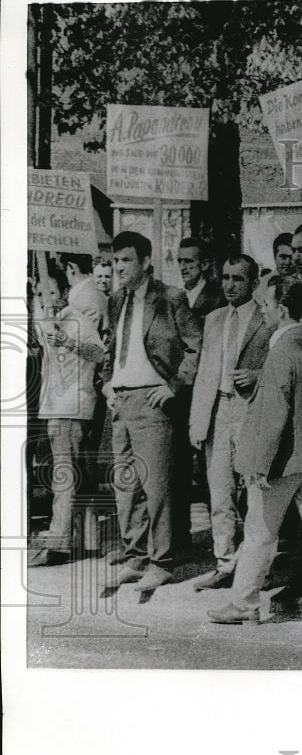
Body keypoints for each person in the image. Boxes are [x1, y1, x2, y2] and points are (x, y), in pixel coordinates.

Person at [207, 276, 302, 633]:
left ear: (282, 309)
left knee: (259, 531)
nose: (262, 311)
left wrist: (259, 465)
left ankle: (244, 604)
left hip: (281, 463)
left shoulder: (281, 351)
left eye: (265, 306)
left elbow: (274, 414)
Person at [103, 231, 202, 591]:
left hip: (153, 401)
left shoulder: (170, 298)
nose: (119, 268)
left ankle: (162, 561)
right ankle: (136, 556)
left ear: (145, 262)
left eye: (126, 260)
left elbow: (196, 347)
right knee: (126, 487)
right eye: (115, 261)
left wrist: (174, 385)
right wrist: (106, 382)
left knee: (157, 487)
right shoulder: (115, 301)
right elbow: (111, 348)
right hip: (120, 401)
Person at [189, 254, 272, 590]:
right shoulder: (214, 319)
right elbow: (204, 373)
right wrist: (198, 421)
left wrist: (257, 376)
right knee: (220, 492)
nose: (229, 285)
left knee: (254, 492)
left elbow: (282, 368)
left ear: (252, 283)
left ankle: (256, 567)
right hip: (219, 410)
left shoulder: (266, 320)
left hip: (250, 410)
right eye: (225, 277)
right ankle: (224, 563)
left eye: (238, 279)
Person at [29, 264, 106, 566]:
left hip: (72, 405)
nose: (45, 297)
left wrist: (69, 342)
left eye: (51, 291)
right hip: (54, 405)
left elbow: (99, 354)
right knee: (75, 474)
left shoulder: (77, 319)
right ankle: (88, 540)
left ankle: (60, 543)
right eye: (39, 293)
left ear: (63, 292)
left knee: (64, 475)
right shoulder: (48, 322)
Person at [177, 237, 226, 319]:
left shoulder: (219, 299)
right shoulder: (174, 297)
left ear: (204, 265)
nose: (182, 267)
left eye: (188, 261)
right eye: (179, 261)